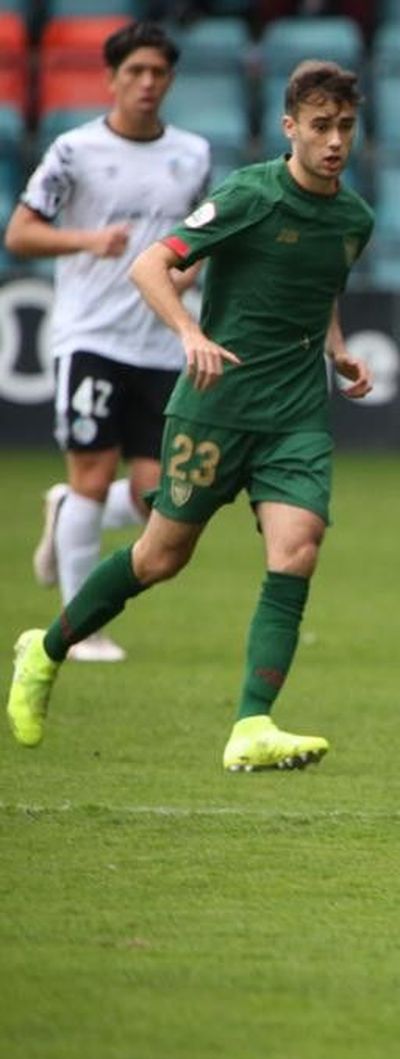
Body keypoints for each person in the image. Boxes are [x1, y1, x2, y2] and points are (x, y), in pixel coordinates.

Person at [6, 61, 376, 773]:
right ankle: (45, 650)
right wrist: (190, 333)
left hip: (296, 412)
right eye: (321, 127)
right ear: (289, 128)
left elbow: (319, 285)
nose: (335, 142)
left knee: (298, 548)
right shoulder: (248, 196)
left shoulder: (354, 218)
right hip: (218, 408)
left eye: (347, 128)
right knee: (159, 557)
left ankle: (251, 723)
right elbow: (150, 264)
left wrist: (337, 348)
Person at [9, 22, 210, 664]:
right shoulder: (74, 150)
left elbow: (200, 239)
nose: (147, 84)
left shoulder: (194, 154)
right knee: (94, 476)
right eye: (135, 73)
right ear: (112, 78)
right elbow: (20, 234)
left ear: (170, 80)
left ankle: (65, 509)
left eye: (158, 73)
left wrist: (190, 274)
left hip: (160, 342)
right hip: (91, 336)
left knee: (159, 498)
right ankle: (80, 628)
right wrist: (87, 241)